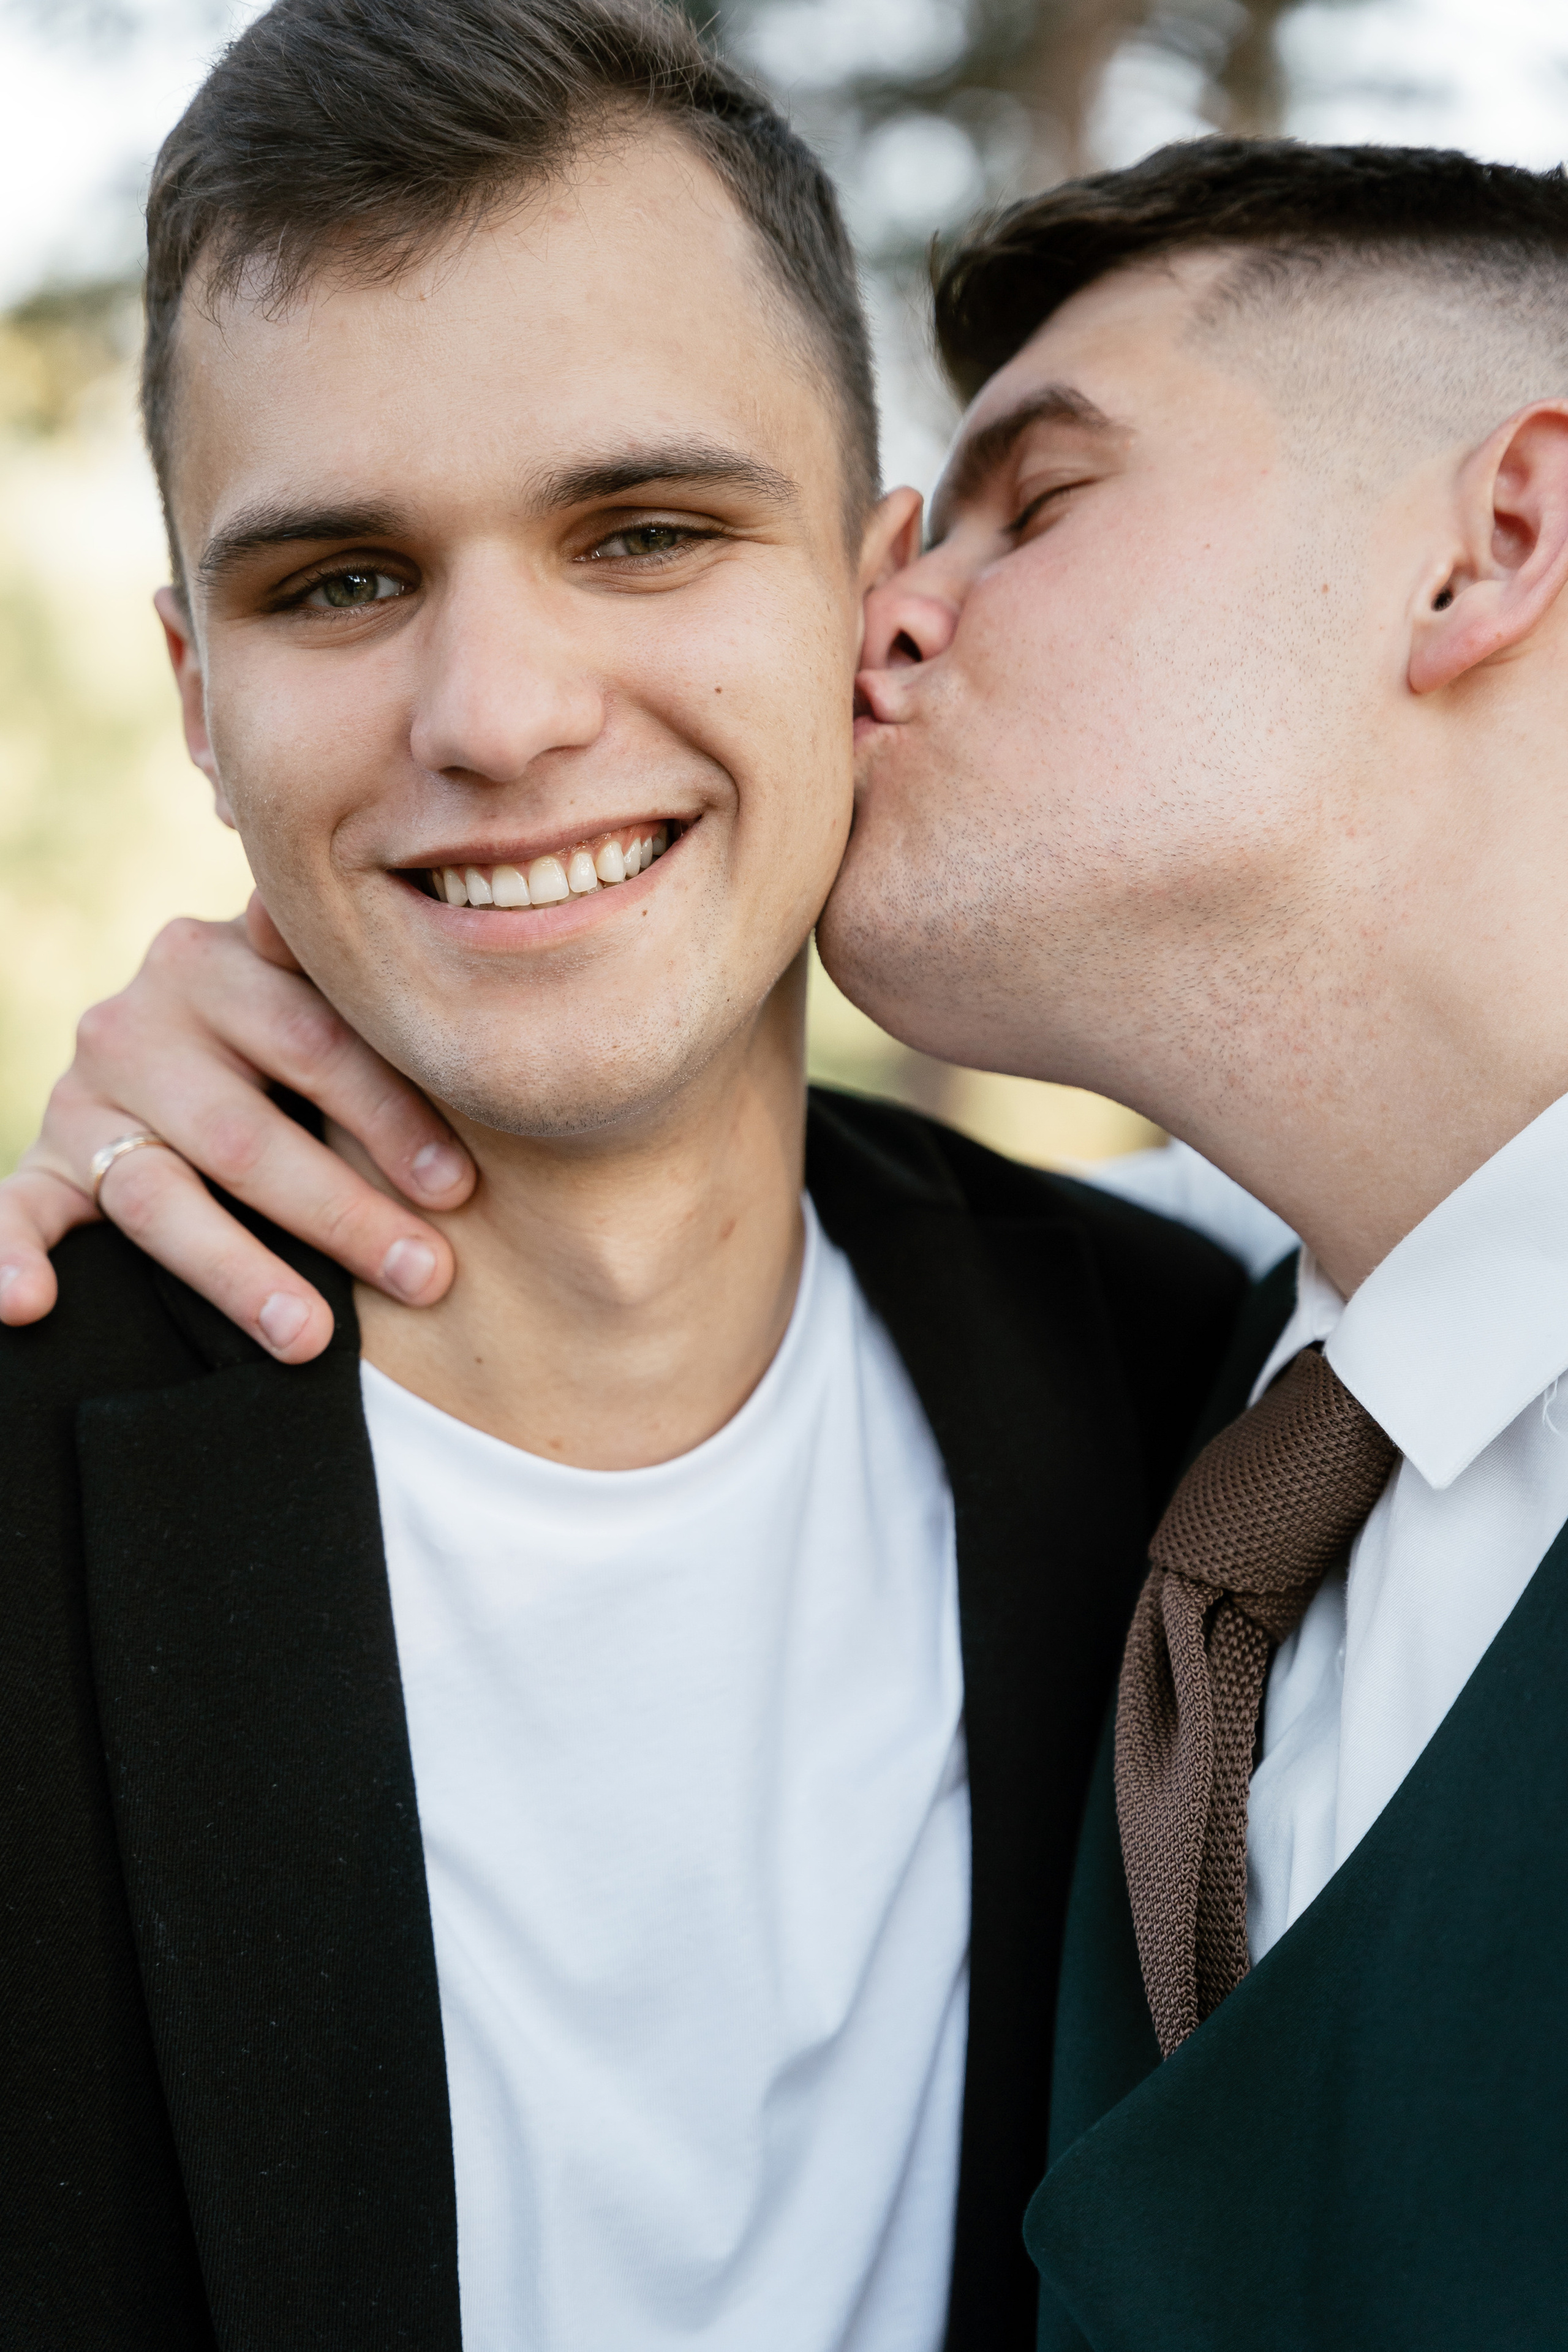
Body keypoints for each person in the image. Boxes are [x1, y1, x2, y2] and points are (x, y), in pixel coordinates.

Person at [17, 127, 1568, 2345]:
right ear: (197, 692)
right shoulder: (1254, 1392)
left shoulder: (1174, 1369)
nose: (501, 716)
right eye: (339, 583)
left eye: (650, 534)